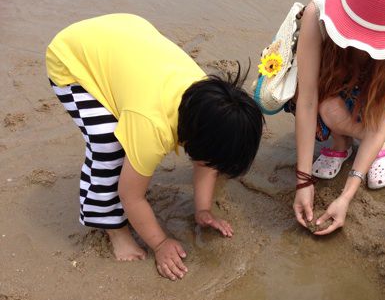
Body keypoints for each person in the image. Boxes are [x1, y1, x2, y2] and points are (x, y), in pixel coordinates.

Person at [46, 14, 263, 280]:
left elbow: (206, 159)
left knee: (133, 132)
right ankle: (114, 230)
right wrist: (159, 243)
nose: (212, 168)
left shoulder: (208, 103)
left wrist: (203, 209)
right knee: (109, 146)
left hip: (124, 35)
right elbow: (130, 196)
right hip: (72, 59)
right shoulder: (152, 127)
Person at [289, 0, 385, 235]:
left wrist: (346, 196)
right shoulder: (315, 16)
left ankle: (377, 147)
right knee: (325, 108)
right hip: (331, 87)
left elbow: (382, 119)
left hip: (371, 102)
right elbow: (307, 100)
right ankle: (342, 143)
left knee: (371, 122)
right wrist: (303, 181)